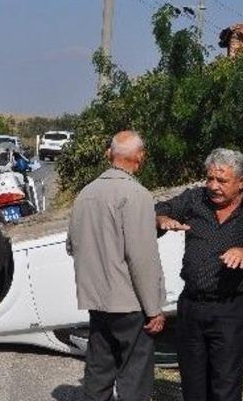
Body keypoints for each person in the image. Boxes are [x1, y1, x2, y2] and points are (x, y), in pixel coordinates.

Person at [156, 148, 243, 401]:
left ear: (241, 182)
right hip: (192, 307)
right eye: (210, 179)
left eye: (222, 180)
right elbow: (159, 209)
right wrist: (161, 219)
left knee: (225, 385)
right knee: (193, 385)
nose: (213, 186)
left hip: (232, 310)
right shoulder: (194, 199)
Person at [67, 130, 165, 401]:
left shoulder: (85, 194)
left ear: (109, 154)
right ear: (140, 157)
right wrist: (154, 309)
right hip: (129, 302)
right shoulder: (136, 194)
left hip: (97, 299)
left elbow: (72, 245)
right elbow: (141, 258)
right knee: (134, 374)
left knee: (99, 367)